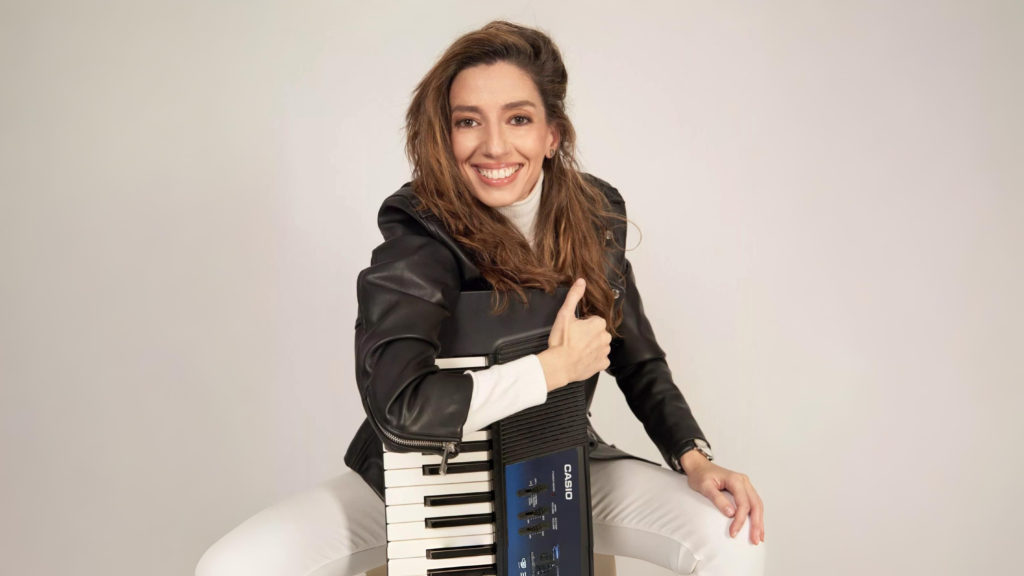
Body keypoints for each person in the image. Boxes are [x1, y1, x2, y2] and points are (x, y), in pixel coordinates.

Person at [196, 21, 765, 576]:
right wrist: (552, 369)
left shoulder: (596, 214)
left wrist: (694, 457)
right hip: (423, 473)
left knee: (730, 535)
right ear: (445, 137)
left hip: (557, 456)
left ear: (552, 135)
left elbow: (639, 362)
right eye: (468, 121)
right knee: (231, 566)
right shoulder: (418, 232)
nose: (494, 146)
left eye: (518, 118)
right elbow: (401, 408)